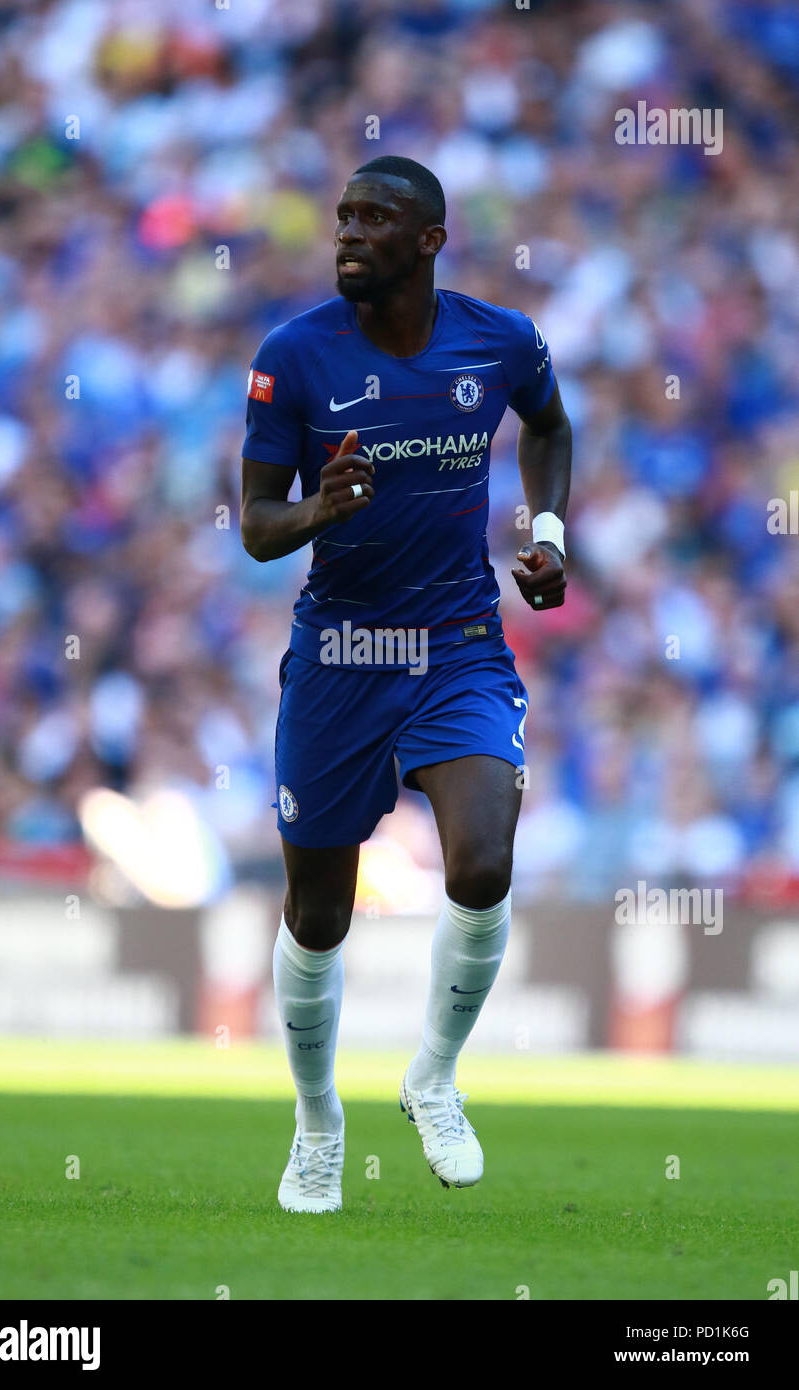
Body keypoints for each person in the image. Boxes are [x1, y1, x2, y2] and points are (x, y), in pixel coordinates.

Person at [239, 155, 571, 1212]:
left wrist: (548, 533)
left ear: (427, 240)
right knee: (318, 912)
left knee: (481, 862)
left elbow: (550, 426)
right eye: (342, 215)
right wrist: (316, 513)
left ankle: (432, 1075)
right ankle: (315, 1120)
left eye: (373, 218)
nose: (347, 232)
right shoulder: (293, 357)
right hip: (340, 655)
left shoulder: (499, 341)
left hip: (456, 641)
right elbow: (255, 526)